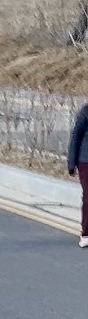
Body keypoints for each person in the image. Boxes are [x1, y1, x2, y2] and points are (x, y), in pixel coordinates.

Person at [69, 99, 88, 248]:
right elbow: (76, 136)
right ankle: (86, 233)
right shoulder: (85, 111)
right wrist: (71, 162)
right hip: (85, 161)